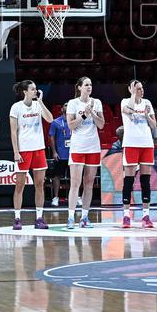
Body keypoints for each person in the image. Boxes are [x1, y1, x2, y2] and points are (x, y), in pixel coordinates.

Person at [8, 80, 53, 230]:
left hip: (39, 149)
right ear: (25, 91)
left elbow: (50, 119)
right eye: (33, 89)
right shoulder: (16, 107)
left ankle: (39, 218)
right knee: (20, 185)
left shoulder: (37, 105)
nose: (36, 91)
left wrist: (40, 102)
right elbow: (13, 132)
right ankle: (17, 218)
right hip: (24, 150)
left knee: (40, 184)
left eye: (36, 89)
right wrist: (16, 152)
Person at [65, 76, 104, 229]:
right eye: (86, 85)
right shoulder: (73, 103)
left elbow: (101, 125)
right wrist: (84, 115)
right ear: (79, 87)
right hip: (78, 147)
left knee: (89, 183)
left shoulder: (97, 102)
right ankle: (70, 218)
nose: (89, 87)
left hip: (93, 147)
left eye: (91, 84)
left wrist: (92, 113)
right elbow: (71, 126)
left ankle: (85, 217)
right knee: (75, 184)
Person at [119, 79, 157, 229]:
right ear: (130, 89)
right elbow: (128, 111)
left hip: (146, 144)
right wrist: (133, 96)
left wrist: (148, 116)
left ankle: (146, 215)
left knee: (145, 180)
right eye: (137, 88)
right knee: (128, 180)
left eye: (141, 88)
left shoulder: (147, 102)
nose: (140, 90)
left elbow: (154, 125)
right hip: (130, 143)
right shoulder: (125, 102)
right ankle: (126, 215)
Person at [47, 106, 71, 208]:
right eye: (65, 106)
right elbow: (51, 137)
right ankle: (56, 198)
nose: (67, 107)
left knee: (75, 177)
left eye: (69, 105)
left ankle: (75, 197)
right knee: (57, 176)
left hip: (73, 154)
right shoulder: (55, 122)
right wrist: (54, 152)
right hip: (60, 154)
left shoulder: (75, 120)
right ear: (62, 109)